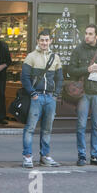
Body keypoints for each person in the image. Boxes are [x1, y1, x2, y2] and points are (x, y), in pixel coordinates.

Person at [69, 24, 97, 167]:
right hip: (83, 93)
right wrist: (87, 69)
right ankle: (81, 155)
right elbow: (71, 70)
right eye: (86, 33)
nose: (87, 36)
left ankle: (95, 155)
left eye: (90, 34)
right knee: (81, 125)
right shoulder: (78, 50)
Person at [21, 29, 63, 168]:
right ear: (38, 41)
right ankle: (27, 157)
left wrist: (56, 94)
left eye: (47, 40)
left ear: (50, 41)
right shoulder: (31, 56)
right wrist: (33, 93)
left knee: (47, 129)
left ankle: (45, 156)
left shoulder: (55, 57)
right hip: (36, 97)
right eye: (42, 40)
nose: (44, 42)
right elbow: (25, 77)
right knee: (30, 128)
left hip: (50, 98)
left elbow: (59, 78)